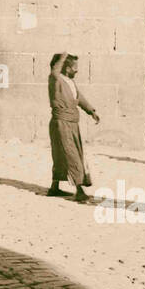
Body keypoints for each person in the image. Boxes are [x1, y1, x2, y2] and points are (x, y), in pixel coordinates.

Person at [48, 52, 99, 203]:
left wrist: (91, 111)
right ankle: (79, 190)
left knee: (62, 155)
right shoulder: (55, 80)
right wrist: (63, 56)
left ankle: (54, 187)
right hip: (61, 122)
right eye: (74, 67)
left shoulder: (69, 81)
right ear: (65, 68)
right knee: (71, 155)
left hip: (72, 123)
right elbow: (54, 71)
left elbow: (79, 97)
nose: (76, 70)